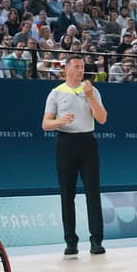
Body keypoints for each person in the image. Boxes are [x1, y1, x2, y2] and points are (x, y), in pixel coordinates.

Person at [43, 56, 107, 255]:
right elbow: (45, 124)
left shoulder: (91, 90)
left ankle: (96, 240)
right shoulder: (56, 93)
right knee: (67, 194)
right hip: (65, 143)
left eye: (82, 67)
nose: (81, 70)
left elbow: (102, 118)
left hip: (87, 143)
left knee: (93, 193)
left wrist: (90, 97)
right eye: (77, 67)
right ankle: (71, 241)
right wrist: (59, 121)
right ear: (67, 69)